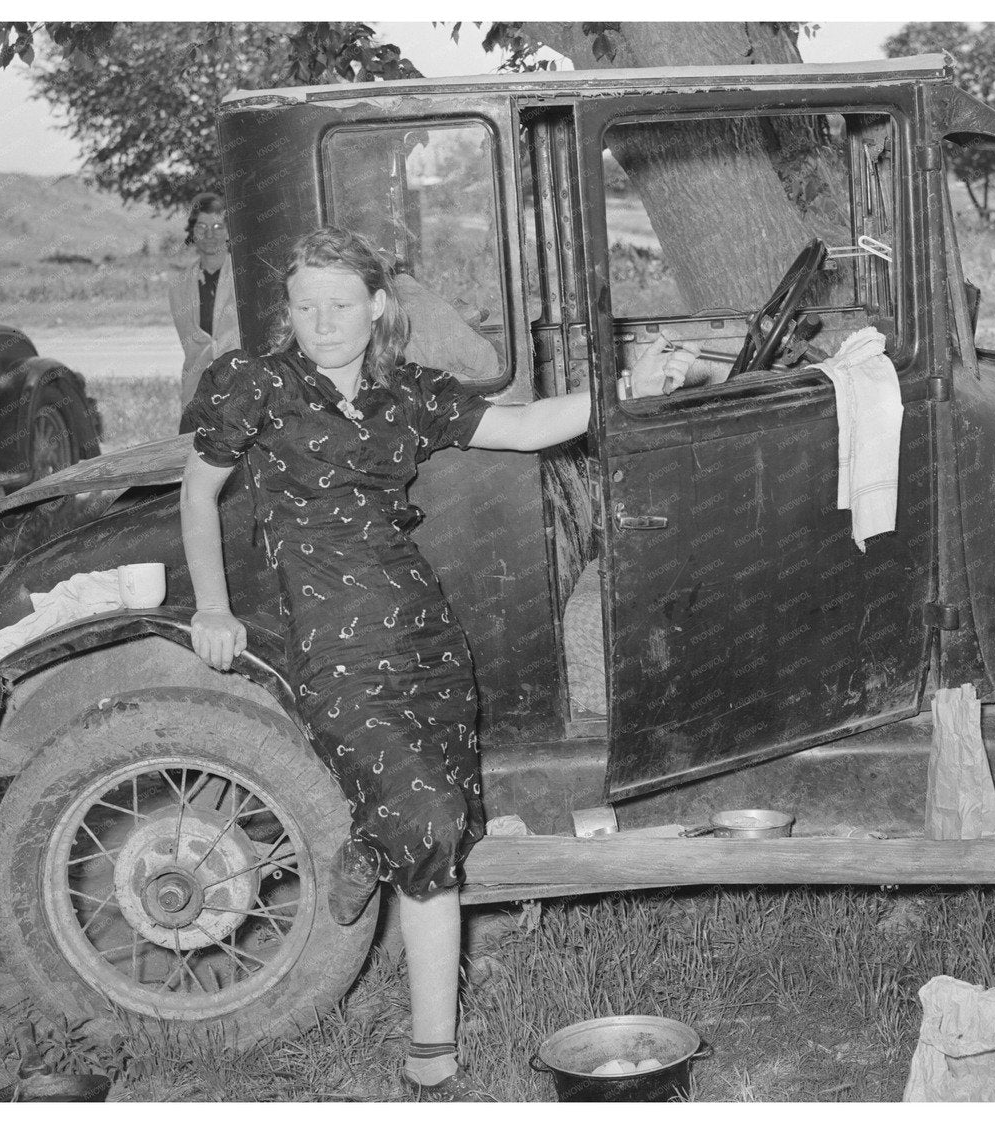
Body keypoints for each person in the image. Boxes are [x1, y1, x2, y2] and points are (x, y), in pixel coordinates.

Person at [180, 226, 694, 1100]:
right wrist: (214, 605)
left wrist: (623, 387)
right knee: (426, 819)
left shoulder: (404, 393)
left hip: (424, 636)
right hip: (335, 644)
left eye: (341, 304)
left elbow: (530, 428)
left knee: (448, 827)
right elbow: (199, 492)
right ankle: (431, 1050)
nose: (323, 321)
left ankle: (378, 858)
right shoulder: (253, 384)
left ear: (377, 307)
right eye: (306, 306)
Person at [169, 191, 240, 411]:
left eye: (218, 226)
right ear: (192, 231)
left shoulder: (245, 277)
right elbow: (191, 347)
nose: (210, 234)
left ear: (229, 231)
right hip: (196, 395)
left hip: (241, 394)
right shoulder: (179, 287)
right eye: (202, 227)